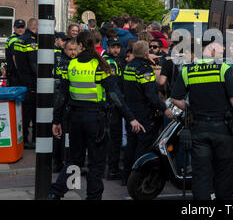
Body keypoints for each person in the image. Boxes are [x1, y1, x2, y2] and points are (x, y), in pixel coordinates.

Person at [47, 31, 145, 200]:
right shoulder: (100, 66)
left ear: (81, 45)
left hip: (75, 120)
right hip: (96, 121)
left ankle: (56, 193)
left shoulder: (70, 66)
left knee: (74, 161)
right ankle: (93, 197)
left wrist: (56, 120)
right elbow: (115, 96)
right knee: (96, 164)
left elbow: (61, 96)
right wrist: (131, 118)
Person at [170, 38, 233, 200]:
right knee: (224, 172)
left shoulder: (187, 70)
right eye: (219, 49)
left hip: (198, 128)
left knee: (201, 173)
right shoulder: (223, 69)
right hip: (222, 129)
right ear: (211, 50)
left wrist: (191, 108)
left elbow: (175, 99)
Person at [121, 41, 171, 186]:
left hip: (131, 112)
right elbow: (151, 95)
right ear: (145, 53)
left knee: (131, 144)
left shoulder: (129, 66)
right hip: (144, 113)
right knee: (143, 146)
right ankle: (138, 177)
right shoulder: (145, 69)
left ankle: (126, 176)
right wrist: (164, 108)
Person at [53, 39, 79, 173]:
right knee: (61, 135)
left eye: (75, 50)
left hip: (73, 105)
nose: (73, 52)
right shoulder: (64, 64)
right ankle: (59, 163)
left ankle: (66, 163)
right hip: (64, 105)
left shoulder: (77, 63)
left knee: (69, 137)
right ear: (65, 50)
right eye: (70, 50)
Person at [103, 37, 126, 180]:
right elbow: (114, 83)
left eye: (118, 47)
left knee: (113, 137)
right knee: (114, 138)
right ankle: (112, 169)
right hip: (112, 104)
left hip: (115, 102)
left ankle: (112, 167)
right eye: (113, 47)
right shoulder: (108, 61)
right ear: (108, 47)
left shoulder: (118, 60)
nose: (116, 50)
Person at [14, 18, 39, 149]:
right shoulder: (31, 41)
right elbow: (34, 63)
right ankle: (32, 139)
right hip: (31, 82)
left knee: (24, 113)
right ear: (36, 27)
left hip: (22, 79)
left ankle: (23, 138)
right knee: (32, 113)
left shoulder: (20, 39)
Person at [5, 19, 26, 87]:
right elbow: (15, 57)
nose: (20, 29)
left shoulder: (16, 38)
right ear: (14, 28)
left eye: (22, 27)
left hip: (13, 73)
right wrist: (20, 72)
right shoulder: (15, 39)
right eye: (18, 27)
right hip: (16, 73)